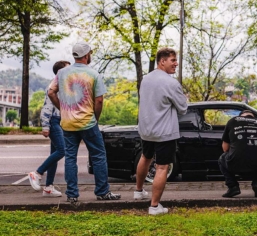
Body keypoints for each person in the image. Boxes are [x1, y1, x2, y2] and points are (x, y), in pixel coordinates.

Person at [48, 42, 121, 204]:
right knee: (98, 156)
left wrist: (63, 109)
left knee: (70, 158)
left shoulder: (62, 73)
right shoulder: (93, 74)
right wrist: (96, 117)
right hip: (88, 122)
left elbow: (51, 92)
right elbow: (99, 100)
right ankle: (102, 192)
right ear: (87, 55)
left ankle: (72, 194)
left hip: (68, 123)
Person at [134, 47, 188, 215]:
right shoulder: (171, 83)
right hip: (164, 131)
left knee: (145, 157)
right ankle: (154, 206)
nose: (176, 63)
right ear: (162, 61)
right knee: (162, 167)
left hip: (146, 128)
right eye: (173, 60)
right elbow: (183, 108)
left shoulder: (146, 79)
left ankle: (138, 191)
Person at [28, 61, 71, 197]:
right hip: (53, 121)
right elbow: (46, 108)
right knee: (62, 150)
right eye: (68, 68)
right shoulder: (54, 86)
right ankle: (37, 173)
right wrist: (45, 126)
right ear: (60, 72)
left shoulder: (63, 85)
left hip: (59, 122)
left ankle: (48, 187)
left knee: (55, 153)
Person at [219, 109, 257, 198]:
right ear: (253, 117)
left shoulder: (233, 121)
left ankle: (233, 186)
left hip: (236, 163)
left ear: (240, 116)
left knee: (222, 158)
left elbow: (225, 148)